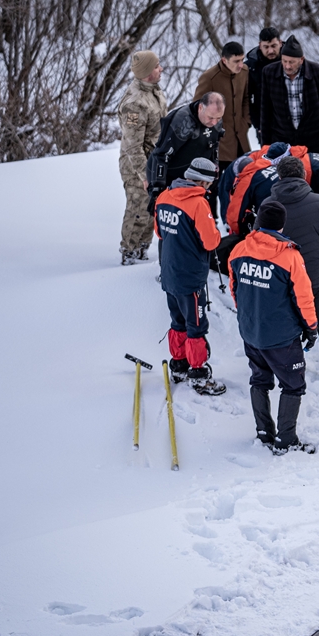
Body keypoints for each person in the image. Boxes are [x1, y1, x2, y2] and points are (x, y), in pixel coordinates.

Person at [229, 200, 319, 454]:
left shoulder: (238, 250)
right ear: (281, 225)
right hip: (282, 337)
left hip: (250, 331)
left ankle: (263, 432)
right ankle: (286, 439)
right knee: (292, 385)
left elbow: (235, 290)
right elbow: (304, 297)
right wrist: (311, 327)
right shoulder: (290, 256)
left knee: (259, 379)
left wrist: (248, 316)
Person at [269, 156, 319, 390]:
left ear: (279, 177)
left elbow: (262, 242)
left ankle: (290, 368)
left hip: (284, 280)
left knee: (288, 325)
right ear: (303, 175)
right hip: (318, 276)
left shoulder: (269, 204)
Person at [154, 157, 224, 396]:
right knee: (196, 325)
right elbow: (211, 241)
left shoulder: (164, 196)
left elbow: (158, 231)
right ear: (203, 182)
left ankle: (179, 364)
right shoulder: (198, 204)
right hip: (190, 276)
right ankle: (198, 373)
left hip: (169, 273)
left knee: (178, 321)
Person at [118, 50, 167, 264]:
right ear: (148, 73)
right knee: (138, 208)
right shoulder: (135, 104)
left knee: (152, 207)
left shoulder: (154, 91)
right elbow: (132, 146)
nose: (161, 69)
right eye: (157, 66)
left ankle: (142, 249)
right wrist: (144, 175)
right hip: (137, 166)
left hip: (155, 162)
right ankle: (129, 251)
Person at [147, 92, 226, 208]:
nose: (214, 122)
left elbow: (214, 144)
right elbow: (161, 155)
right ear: (200, 108)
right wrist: (157, 190)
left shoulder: (214, 120)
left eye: (218, 118)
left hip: (192, 176)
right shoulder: (182, 122)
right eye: (211, 117)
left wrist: (215, 166)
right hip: (169, 175)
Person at [259, 35, 319, 153]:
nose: (287, 66)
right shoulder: (269, 72)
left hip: (313, 141)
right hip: (282, 141)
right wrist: (265, 147)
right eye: (284, 61)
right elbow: (265, 111)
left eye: (291, 62)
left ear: (301, 59)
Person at [194, 41, 252, 173]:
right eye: (236, 61)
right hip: (219, 144)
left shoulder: (244, 71)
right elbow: (197, 108)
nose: (240, 64)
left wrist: (245, 122)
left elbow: (246, 98)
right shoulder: (209, 78)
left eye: (242, 60)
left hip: (241, 140)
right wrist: (212, 130)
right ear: (224, 60)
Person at [245, 27, 282, 128]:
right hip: (265, 123)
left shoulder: (291, 61)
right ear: (260, 45)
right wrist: (257, 122)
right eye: (266, 47)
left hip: (291, 122)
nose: (270, 51)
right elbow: (245, 97)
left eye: (274, 46)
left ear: (280, 43)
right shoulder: (251, 67)